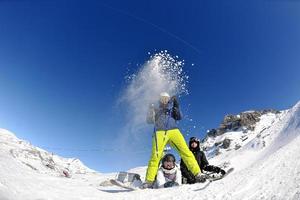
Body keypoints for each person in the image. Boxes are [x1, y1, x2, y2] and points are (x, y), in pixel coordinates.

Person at [141, 92, 206, 189]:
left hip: (174, 131)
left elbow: (179, 117)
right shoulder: (156, 109)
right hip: (159, 132)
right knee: (156, 156)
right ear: (159, 100)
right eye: (162, 98)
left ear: (168, 99)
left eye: (166, 98)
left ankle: (198, 174)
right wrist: (150, 109)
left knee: (186, 152)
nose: (164, 100)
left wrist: (176, 105)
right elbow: (149, 120)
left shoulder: (171, 109)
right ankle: (149, 181)